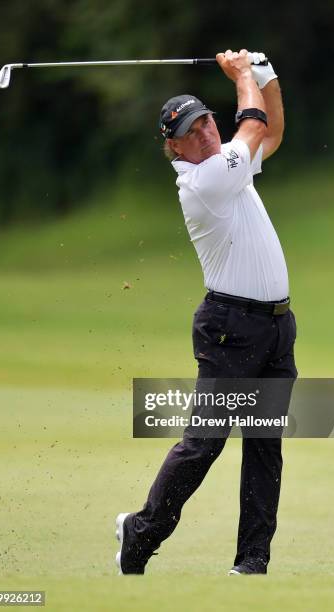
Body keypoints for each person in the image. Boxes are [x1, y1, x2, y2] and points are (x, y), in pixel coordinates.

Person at [116, 49, 297, 575]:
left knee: (266, 446)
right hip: (230, 330)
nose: (205, 133)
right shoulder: (204, 183)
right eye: (191, 132)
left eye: (206, 122)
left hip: (276, 327)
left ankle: (252, 563)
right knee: (205, 445)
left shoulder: (231, 170)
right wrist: (243, 75)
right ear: (174, 147)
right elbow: (253, 123)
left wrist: (266, 75)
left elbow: (270, 130)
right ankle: (140, 533)